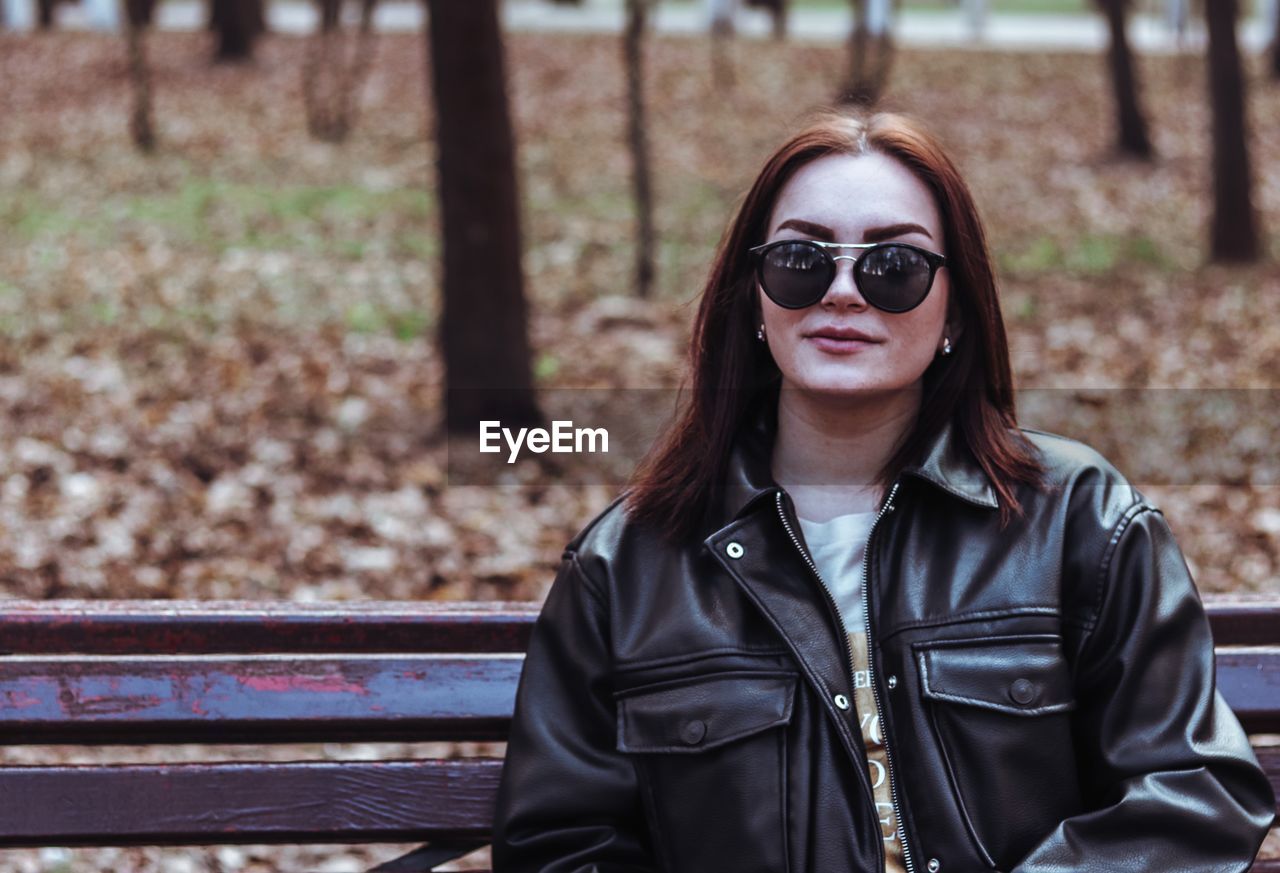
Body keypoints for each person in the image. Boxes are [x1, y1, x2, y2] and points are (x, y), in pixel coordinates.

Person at [491, 109, 1276, 873]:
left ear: (956, 314)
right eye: (800, 260)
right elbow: (560, 845)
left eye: (893, 266)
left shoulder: (1079, 518)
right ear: (755, 300)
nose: (841, 291)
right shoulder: (627, 562)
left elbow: (1193, 792)